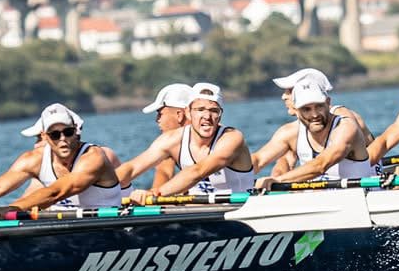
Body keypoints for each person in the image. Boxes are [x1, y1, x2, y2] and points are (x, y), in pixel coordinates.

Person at [124, 83, 254, 202]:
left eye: (214, 111)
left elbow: (198, 171)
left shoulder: (232, 138)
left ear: (220, 114)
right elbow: (132, 168)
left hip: (235, 213)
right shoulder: (170, 140)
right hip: (198, 214)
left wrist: (154, 193)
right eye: (200, 110)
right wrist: (106, 187)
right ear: (188, 112)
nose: (207, 116)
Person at [0, 104, 124, 212]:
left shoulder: (93, 157)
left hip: (105, 231)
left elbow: (55, 193)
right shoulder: (33, 159)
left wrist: (9, 209)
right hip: (63, 231)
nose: (63, 139)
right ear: (45, 136)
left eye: (68, 132)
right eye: (55, 135)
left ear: (76, 132)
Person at [255, 80, 375, 187]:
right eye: (306, 109)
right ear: (296, 110)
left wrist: (278, 180)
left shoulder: (346, 127)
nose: (315, 115)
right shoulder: (289, 132)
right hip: (322, 202)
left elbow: (321, 165)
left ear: (328, 103)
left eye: (319, 106)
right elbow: (258, 160)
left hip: (360, 200)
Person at [116, 82, 192, 188]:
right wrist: (102, 184)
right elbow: (134, 168)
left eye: (160, 114)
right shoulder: (168, 142)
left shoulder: (215, 137)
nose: (157, 120)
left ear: (179, 115)